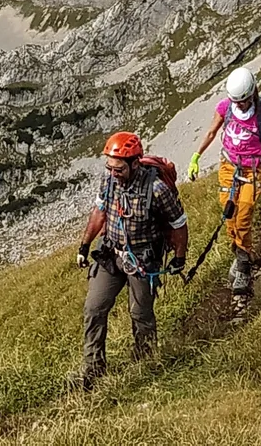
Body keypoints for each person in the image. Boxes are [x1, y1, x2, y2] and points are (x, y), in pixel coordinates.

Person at [74, 131, 187, 391]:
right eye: (110, 168)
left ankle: (146, 361)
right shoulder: (109, 180)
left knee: (140, 313)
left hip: (142, 259)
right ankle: (93, 369)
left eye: (118, 168)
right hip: (111, 253)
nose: (113, 173)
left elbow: (179, 224)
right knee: (94, 308)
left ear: (135, 163)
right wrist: (85, 244)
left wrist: (179, 258)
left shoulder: (157, 189)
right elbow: (99, 211)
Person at [188, 66, 261, 312]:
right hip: (228, 166)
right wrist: (196, 156)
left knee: (244, 213)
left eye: (243, 101)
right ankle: (241, 252)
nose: (240, 106)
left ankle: (243, 265)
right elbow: (212, 131)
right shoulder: (225, 108)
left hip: (254, 169)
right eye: (237, 102)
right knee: (228, 214)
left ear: (252, 93)